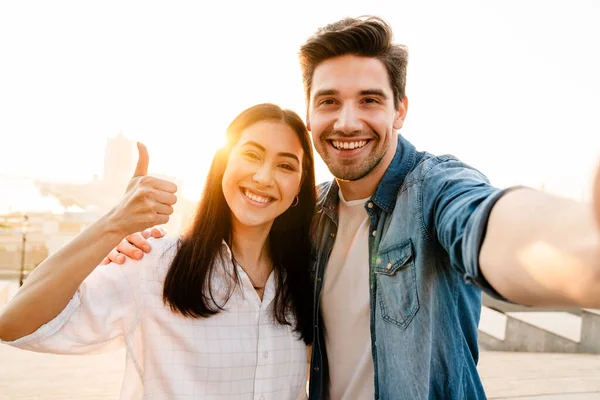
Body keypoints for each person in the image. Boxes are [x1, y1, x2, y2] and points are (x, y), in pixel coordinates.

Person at [83, 16, 600, 400]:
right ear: (309, 114)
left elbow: (486, 225)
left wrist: (581, 252)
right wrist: (124, 237)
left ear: (400, 108)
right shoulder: (308, 220)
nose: (348, 121)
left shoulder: (434, 189)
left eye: (371, 100)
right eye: (329, 101)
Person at [0, 103, 317, 399]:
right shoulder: (154, 264)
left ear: (299, 185)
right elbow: (15, 324)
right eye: (251, 154)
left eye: (286, 165)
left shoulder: (306, 281)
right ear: (223, 163)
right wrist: (115, 225)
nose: (263, 177)